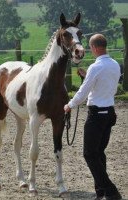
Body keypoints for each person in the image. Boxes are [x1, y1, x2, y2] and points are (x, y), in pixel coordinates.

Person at [64, 34, 122, 200]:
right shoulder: (115, 65)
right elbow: (108, 88)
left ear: (95, 48)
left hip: (97, 115)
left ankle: (110, 191)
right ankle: (101, 192)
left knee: (89, 154)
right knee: (98, 152)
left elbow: (83, 93)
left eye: (90, 48)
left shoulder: (95, 68)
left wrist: (69, 105)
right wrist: (86, 77)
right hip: (109, 112)